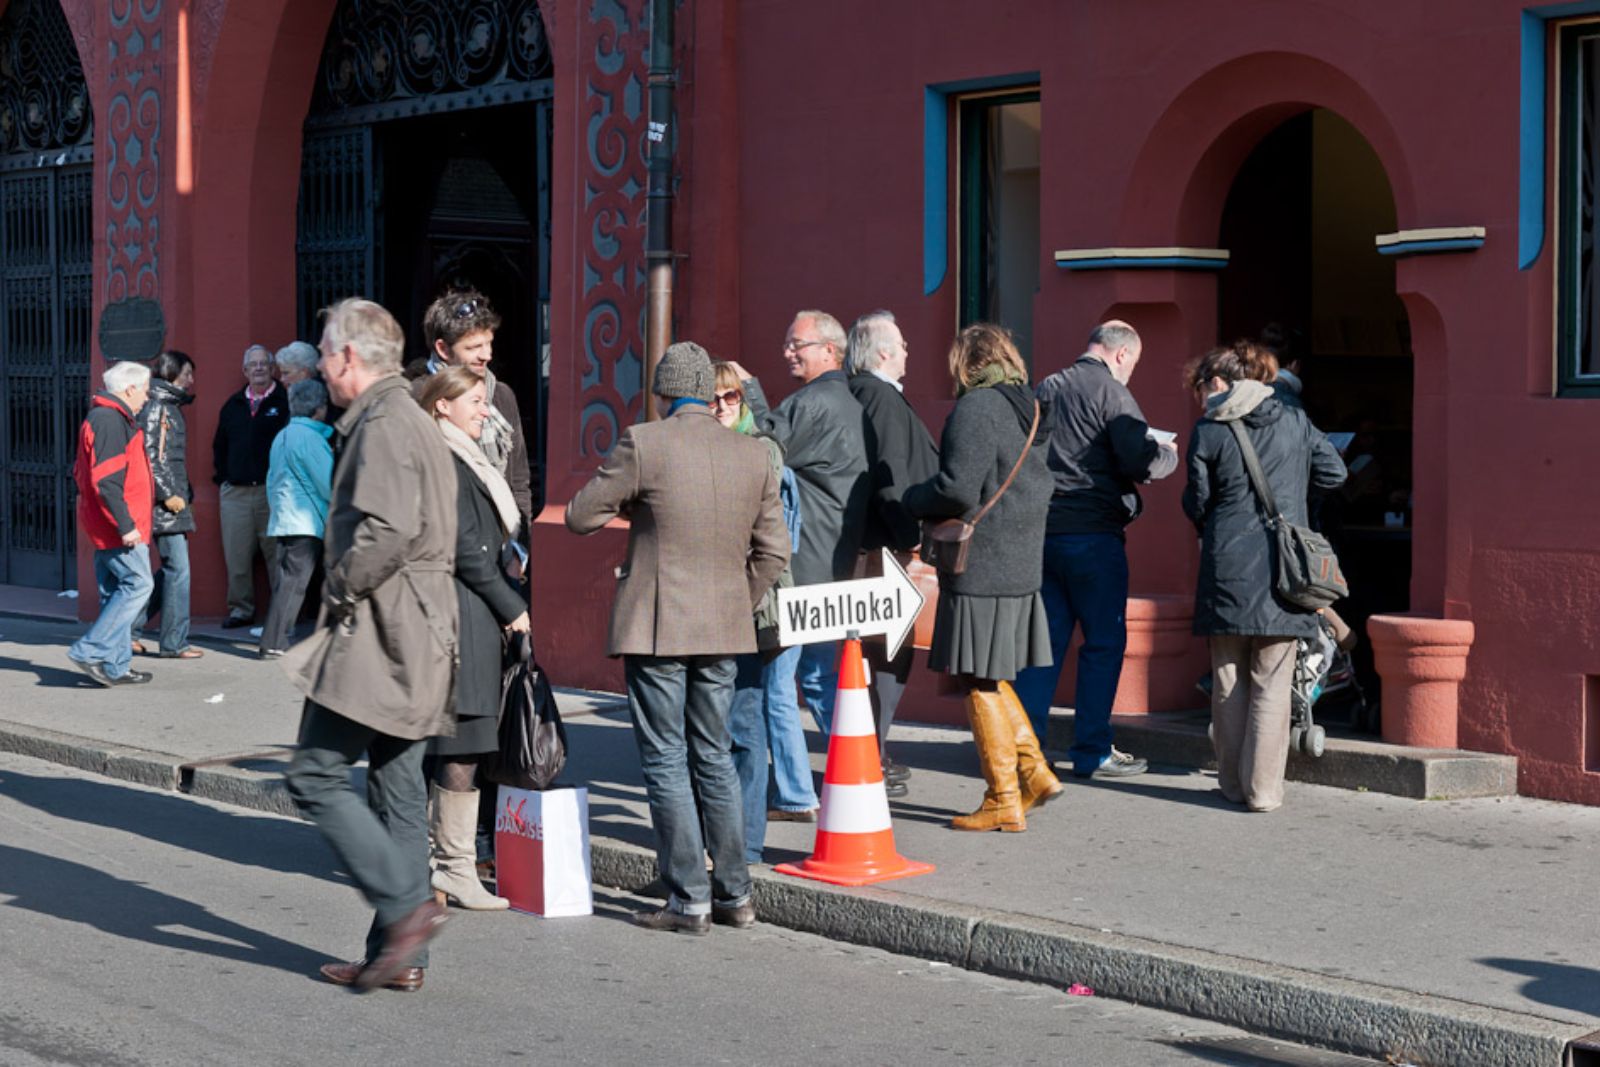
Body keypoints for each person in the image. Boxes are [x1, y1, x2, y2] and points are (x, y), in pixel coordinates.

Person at [566, 342, 788, 933]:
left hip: (657, 623)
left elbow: (581, 515)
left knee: (665, 758)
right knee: (714, 755)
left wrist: (639, 503)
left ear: (663, 393)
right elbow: (774, 551)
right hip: (724, 625)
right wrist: (737, 603)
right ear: (709, 390)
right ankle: (735, 895)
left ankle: (688, 898)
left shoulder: (645, 442)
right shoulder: (751, 454)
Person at [282, 298, 457, 993]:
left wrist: (341, 587)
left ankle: (408, 911)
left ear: (349, 356)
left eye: (325, 353)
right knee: (397, 791)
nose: (322, 366)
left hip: (385, 634)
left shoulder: (384, 421)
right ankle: (401, 954)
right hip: (419, 631)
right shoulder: (405, 415)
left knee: (314, 774)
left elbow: (383, 532)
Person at [903, 324, 1061, 832]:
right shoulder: (1029, 406)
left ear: (967, 363)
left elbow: (956, 488)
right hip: (1020, 562)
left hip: (982, 563)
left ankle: (1002, 797)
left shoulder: (976, 408)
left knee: (977, 678)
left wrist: (910, 498)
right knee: (991, 674)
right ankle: (1034, 773)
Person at [1181, 340, 1346, 813]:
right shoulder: (1295, 420)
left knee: (1229, 677)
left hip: (1227, 566)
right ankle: (1264, 792)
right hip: (1284, 569)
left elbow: (1197, 502)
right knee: (1273, 678)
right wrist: (1295, 498)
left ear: (1218, 383)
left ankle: (1231, 785)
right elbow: (1334, 473)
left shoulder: (1209, 430)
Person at [1012, 321, 1178, 779]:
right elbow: (1135, 459)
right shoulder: (1112, 393)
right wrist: (1166, 454)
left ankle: (1026, 754)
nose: (1132, 374)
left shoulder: (1047, 386)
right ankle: (1092, 750)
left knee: (1043, 647)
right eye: (1134, 364)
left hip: (1044, 533)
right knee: (1103, 643)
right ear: (1121, 355)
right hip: (1094, 535)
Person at [415, 366, 531, 910]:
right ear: (444, 405)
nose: (486, 410)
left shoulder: (464, 453)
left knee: (463, 744)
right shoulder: (445, 457)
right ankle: (451, 868)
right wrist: (513, 609)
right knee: (461, 745)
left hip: (469, 614)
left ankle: (445, 866)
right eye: (476, 402)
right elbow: (465, 548)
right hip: (463, 616)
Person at [740, 310, 869, 742]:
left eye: (797, 344)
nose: (787, 352)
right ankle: (862, 756)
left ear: (830, 350)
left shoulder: (812, 402)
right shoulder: (848, 400)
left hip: (803, 563)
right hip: (833, 557)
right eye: (787, 344)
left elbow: (764, 443)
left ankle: (802, 789)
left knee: (783, 684)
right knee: (817, 675)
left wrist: (747, 389)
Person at [710, 359, 817, 862]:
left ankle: (746, 846)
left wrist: (754, 387)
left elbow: (767, 542)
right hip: (720, 606)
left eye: (732, 397)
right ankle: (730, 841)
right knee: (726, 726)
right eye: (713, 398)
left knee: (747, 724)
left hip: (758, 607)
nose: (722, 406)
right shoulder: (708, 444)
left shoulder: (762, 451)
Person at [845, 310, 939, 796]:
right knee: (888, 655)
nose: (907, 352)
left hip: (873, 547)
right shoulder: (879, 396)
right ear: (883, 351)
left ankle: (874, 754)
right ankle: (873, 757)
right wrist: (911, 537)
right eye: (901, 344)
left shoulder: (863, 392)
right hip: (888, 549)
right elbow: (890, 475)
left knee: (874, 655)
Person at [409, 290, 534, 539]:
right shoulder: (414, 397)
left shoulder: (501, 395)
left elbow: (519, 479)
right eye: (474, 347)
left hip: (502, 541)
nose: (486, 355)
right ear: (443, 349)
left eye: (489, 343)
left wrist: (521, 544)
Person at [68, 360, 156, 687]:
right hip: (119, 526)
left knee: (115, 591)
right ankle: (89, 650)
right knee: (139, 584)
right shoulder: (109, 419)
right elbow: (107, 481)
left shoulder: (104, 416)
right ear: (130, 388)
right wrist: (126, 525)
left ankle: (116, 666)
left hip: (105, 524)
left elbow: (84, 474)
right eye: (145, 390)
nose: (146, 397)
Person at [212, 343, 289, 628]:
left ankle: (283, 613)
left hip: (272, 493)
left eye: (263, 364)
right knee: (237, 558)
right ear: (245, 371)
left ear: (272, 368)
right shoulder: (232, 405)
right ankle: (241, 610)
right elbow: (219, 446)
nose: (258, 368)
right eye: (252, 365)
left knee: (276, 556)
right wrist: (225, 478)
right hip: (236, 493)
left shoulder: (284, 401)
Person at [258, 379, 335, 659]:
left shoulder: (283, 435)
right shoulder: (311, 438)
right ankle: (275, 641)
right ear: (318, 408)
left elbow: (271, 479)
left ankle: (274, 638)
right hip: (306, 520)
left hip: (284, 517)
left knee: (285, 581)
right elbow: (328, 483)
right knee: (294, 583)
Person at [134, 350, 202, 659]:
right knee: (179, 570)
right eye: (187, 373)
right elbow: (151, 456)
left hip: (173, 500)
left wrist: (185, 495)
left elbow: (171, 459)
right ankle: (174, 643)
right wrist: (168, 495)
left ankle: (130, 629)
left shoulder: (168, 406)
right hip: (165, 503)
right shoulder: (158, 407)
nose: (191, 380)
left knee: (172, 569)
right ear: (173, 374)